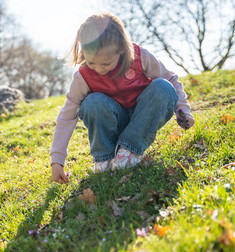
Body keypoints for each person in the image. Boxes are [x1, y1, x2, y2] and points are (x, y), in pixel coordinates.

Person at [50, 11, 194, 183]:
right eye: (91, 63)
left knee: (163, 86)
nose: (99, 69)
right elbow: (67, 116)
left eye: (106, 63)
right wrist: (57, 160)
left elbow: (171, 79)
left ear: (120, 49)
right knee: (92, 102)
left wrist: (182, 108)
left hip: (142, 120)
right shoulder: (83, 77)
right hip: (111, 122)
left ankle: (130, 150)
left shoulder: (140, 57)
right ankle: (105, 157)